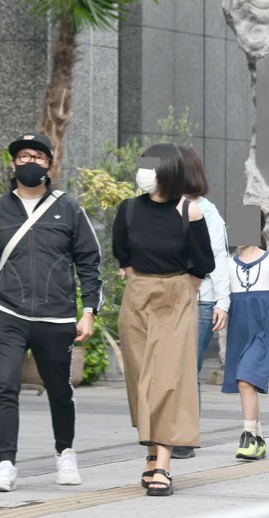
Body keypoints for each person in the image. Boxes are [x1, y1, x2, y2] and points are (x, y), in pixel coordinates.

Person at [0, 132, 103, 492]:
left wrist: (89, 310)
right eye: (24, 156)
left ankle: (65, 453)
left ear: (50, 166)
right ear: (14, 164)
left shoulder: (69, 209)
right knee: (5, 386)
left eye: (38, 157)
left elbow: (89, 262)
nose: (30, 162)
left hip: (56, 317)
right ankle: (5, 464)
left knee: (59, 389)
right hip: (7, 314)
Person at [112, 143, 215, 497]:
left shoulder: (190, 211)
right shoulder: (128, 209)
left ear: (169, 171)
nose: (145, 172)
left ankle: (163, 464)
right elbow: (122, 254)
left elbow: (204, 263)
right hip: (138, 297)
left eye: (152, 166)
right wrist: (139, 280)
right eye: (144, 165)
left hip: (176, 297)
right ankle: (152, 451)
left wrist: (182, 288)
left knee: (169, 380)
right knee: (142, 380)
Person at [172, 146, 230, 460]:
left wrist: (223, 302)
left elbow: (219, 257)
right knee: (171, 369)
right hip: (168, 299)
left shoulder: (206, 211)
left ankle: (185, 436)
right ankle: (170, 430)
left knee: (186, 369)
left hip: (201, 300)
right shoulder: (162, 207)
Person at [222, 210, 268, 460]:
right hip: (239, 330)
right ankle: (257, 439)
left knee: (245, 379)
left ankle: (249, 436)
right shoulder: (229, 264)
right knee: (245, 382)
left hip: (263, 329)